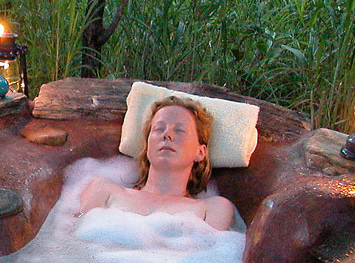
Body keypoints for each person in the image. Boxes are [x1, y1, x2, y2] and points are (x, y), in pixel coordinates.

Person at [78, 96, 237, 230]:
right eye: (159, 129)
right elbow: (69, 242)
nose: (167, 134)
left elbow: (211, 259)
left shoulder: (212, 208)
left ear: (200, 152)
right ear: (147, 146)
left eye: (180, 130)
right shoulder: (104, 189)